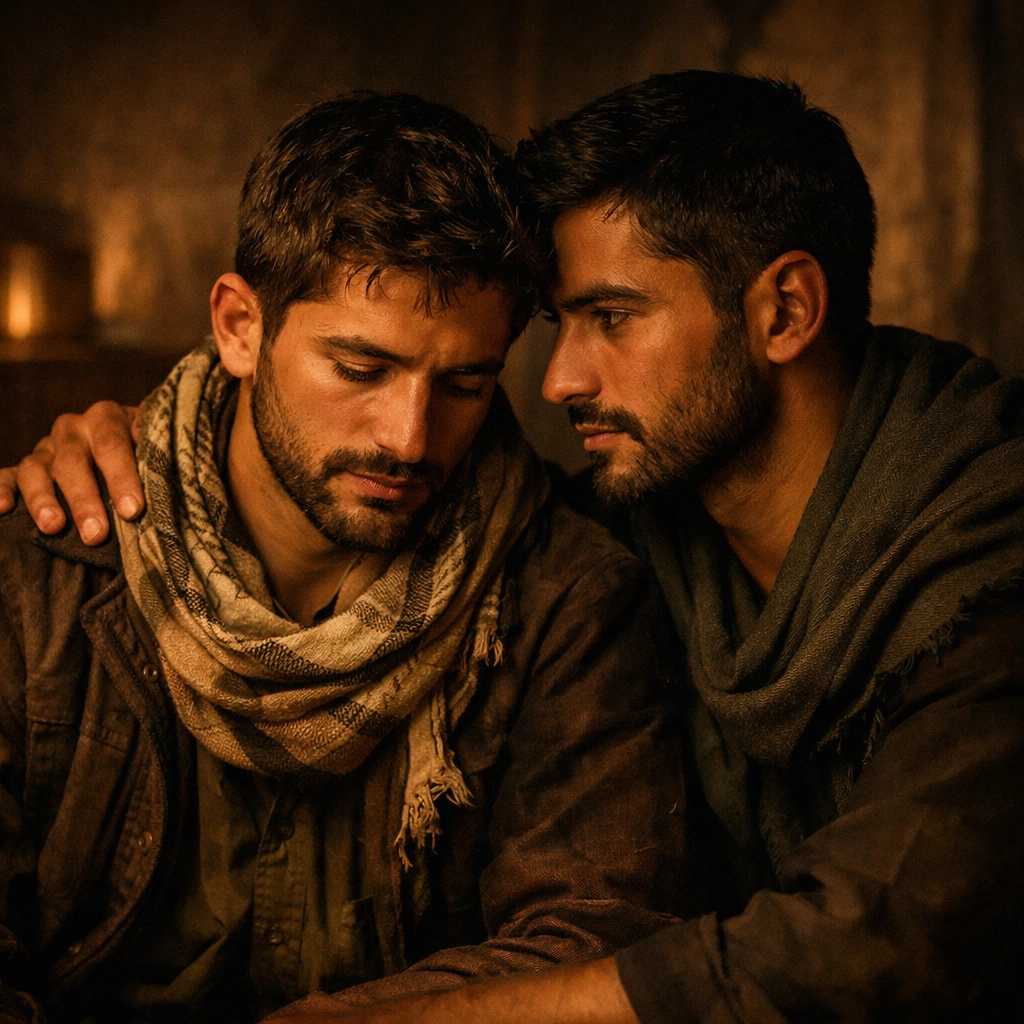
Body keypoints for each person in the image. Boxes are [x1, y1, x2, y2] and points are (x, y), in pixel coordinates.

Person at [5, 70, 1022, 1022]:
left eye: (611, 318)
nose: (556, 383)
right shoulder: (64, 540)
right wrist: (137, 447)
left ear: (785, 310)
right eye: (359, 365)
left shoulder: (978, 553)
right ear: (238, 328)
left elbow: (864, 940)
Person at [0, 92, 690, 1023]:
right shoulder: (39, 573)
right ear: (241, 326)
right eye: (361, 369)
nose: (409, 439)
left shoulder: (567, 598)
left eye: (464, 382)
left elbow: (588, 944)